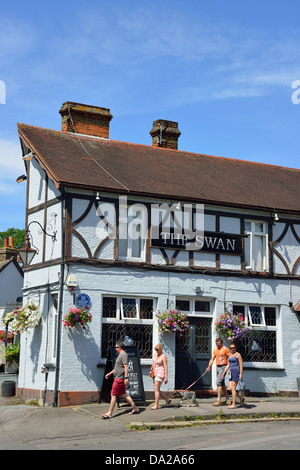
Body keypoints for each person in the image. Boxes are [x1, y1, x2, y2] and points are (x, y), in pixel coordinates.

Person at [101, 341, 139, 419]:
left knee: (113, 395)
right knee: (124, 395)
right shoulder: (120, 355)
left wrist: (126, 378)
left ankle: (109, 413)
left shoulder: (124, 355)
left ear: (120, 347)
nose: (115, 349)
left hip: (119, 379)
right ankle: (135, 408)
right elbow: (116, 368)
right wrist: (109, 373)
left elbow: (126, 366)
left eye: (116, 347)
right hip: (118, 377)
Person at [206, 337, 231, 406]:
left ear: (221, 343)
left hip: (223, 367)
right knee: (222, 384)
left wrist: (229, 368)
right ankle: (228, 399)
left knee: (218, 382)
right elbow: (212, 359)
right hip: (218, 367)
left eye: (219, 343)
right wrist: (209, 366)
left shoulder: (225, 349)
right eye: (217, 344)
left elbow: (230, 358)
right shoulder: (215, 350)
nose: (218, 345)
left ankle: (218, 399)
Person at [222, 342, 245, 408]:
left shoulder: (238, 355)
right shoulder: (229, 355)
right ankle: (241, 398)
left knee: (233, 388)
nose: (232, 349)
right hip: (231, 373)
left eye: (233, 348)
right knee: (230, 389)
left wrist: (240, 373)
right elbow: (228, 365)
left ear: (236, 348)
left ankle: (234, 404)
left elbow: (241, 364)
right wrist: (224, 372)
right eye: (231, 348)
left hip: (236, 372)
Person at [149, 344, 171, 410]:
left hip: (160, 373)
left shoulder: (163, 357)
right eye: (155, 349)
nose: (156, 351)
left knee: (156, 389)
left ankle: (156, 405)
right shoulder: (155, 355)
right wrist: (151, 370)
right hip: (155, 373)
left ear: (161, 349)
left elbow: (166, 367)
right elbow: (154, 363)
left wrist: (166, 377)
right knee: (157, 389)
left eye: (157, 349)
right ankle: (167, 400)